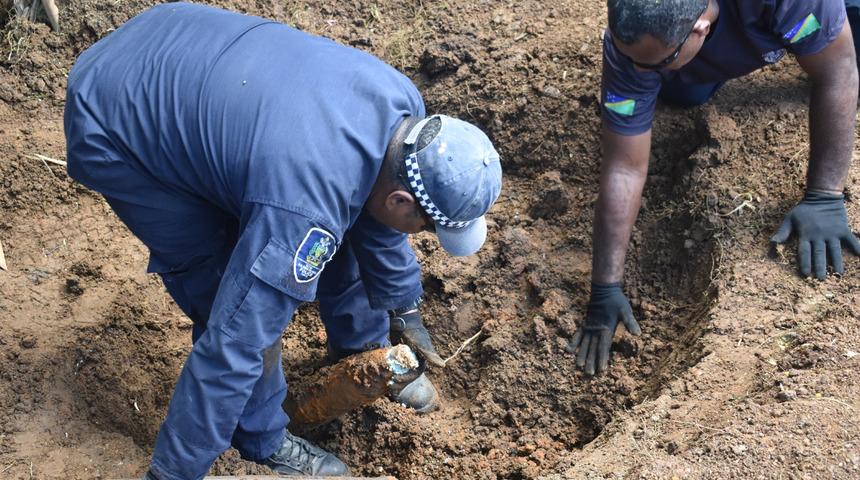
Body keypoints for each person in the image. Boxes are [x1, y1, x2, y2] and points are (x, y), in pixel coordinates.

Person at [63, 3, 502, 479]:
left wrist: (403, 304)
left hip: (174, 40)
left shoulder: (402, 108)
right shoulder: (304, 209)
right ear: (401, 200)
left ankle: (359, 353)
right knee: (225, 288)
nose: (423, 236)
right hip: (115, 122)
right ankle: (260, 438)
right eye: (427, 228)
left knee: (338, 221)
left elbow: (369, 213)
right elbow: (236, 343)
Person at [571, 0, 860, 375]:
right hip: (732, 27)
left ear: (700, 28)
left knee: (842, 49)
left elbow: (838, 71)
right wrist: (604, 287)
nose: (637, 71)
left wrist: (824, 194)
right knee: (679, 92)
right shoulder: (634, 48)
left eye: (653, 61)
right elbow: (624, 168)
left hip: (794, 10)